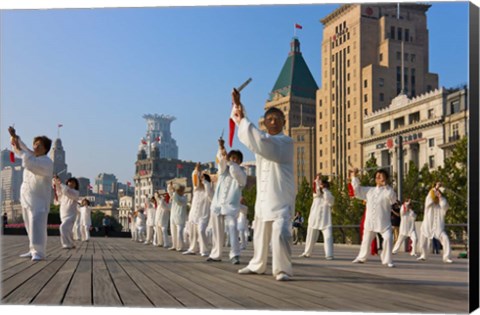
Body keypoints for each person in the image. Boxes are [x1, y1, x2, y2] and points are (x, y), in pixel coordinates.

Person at [232, 89, 295, 281]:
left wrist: (243, 118)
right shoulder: (263, 142)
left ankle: (282, 269)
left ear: (284, 122)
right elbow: (253, 139)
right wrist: (238, 108)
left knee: (281, 234)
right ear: (265, 123)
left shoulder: (286, 142)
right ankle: (258, 265)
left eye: (278, 118)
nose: (274, 121)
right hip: (263, 198)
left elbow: (259, 141)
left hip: (281, 198)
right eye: (270, 119)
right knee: (259, 235)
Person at [10, 127, 53, 261]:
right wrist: (15, 137)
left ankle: (39, 252)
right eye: (35, 144)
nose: (35, 147)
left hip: (39, 200)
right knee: (29, 223)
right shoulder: (32, 156)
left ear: (45, 148)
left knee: (37, 224)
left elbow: (28, 161)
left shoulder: (46, 161)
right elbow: (24, 149)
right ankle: (32, 249)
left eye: (39, 145)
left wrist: (20, 149)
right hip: (27, 197)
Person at [207, 139, 247, 264]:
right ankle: (216, 254)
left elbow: (236, 172)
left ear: (240, 161)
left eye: (236, 159)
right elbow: (221, 162)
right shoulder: (223, 171)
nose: (233, 160)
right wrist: (222, 148)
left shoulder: (241, 174)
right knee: (217, 231)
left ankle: (234, 254)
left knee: (232, 228)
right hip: (218, 205)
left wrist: (232, 163)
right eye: (232, 158)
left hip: (231, 206)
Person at [350, 168, 397, 268]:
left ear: (385, 178)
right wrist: (354, 176)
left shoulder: (388, 191)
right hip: (370, 222)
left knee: (388, 238)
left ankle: (387, 260)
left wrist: (386, 185)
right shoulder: (369, 190)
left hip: (384, 223)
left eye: (381, 176)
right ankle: (361, 257)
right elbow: (357, 192)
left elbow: (393, 199)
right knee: (366, 241)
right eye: (377, 176)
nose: (378, 177)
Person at [300, 176, 335, 260]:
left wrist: (325, 190)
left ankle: (329, 254)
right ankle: (307, 252)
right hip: (314, 218)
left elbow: (330, 202)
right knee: (310, 237)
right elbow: (316, 190)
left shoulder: (329, 195)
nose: (322, 186)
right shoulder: (316, 195)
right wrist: (317, 181)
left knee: (328, 237)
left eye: (323, 185)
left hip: (325, 220)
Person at [417, 182, 452, 263]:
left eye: (438, 192)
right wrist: (435, 188)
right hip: (427, 226)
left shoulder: (442, 202)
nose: (436, 194)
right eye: (435, 193)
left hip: (438, 227)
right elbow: (429, 198)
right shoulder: (429, 201)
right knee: (422, 243)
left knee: (445, 239)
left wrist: (440, 196)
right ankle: (423, 255)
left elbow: (445, 206)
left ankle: (446, 257)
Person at [55, 177, 80, 249]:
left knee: (63, 227)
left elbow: (66, 191)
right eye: (70, 182)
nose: (71, 183)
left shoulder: (75, 193)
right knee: (68, 230)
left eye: (73, 182)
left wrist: (60, 183)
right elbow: (59, 191)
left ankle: (66, 244)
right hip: (63, 214)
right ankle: (71, 243)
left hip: (71, 215)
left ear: (76, 185)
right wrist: (56, 183)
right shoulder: (63, 193)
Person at [168, 182, 188, 251]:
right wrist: (170, 186)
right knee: (173, 232)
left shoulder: (184, 197)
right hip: (173, 216)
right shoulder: (174, 196)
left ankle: (181, 246)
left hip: (180, 217)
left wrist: (174, 192)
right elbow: (170, 192)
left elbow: (179, 202)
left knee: (179, 232)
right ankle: (174, 245)